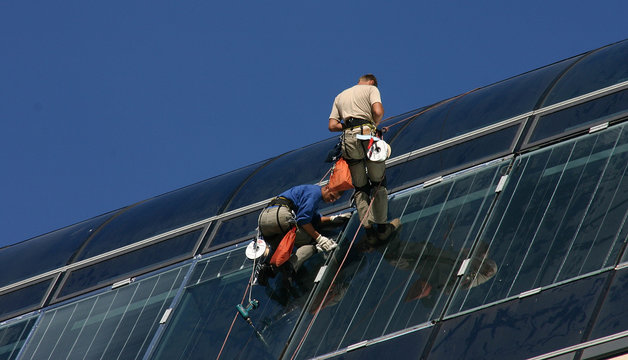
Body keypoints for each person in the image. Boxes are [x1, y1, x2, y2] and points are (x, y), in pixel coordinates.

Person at [328, 74, 399, 244]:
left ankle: (368, 230)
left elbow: (332, 125)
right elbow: (378, 111)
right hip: (366, 134)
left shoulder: (340, 96)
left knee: (360, 187)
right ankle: (382, 228)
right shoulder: (371, 89)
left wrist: (349, 125)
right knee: (378, 182)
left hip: (348, 140)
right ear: (372, 82)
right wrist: (373, 125)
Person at [257, 184, 349, 285]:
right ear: (327, 188)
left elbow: (315, 219)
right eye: (332, 196)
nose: (332, 201)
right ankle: (290, 266)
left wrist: (332, 218)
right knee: (311, 243)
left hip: (263, 220)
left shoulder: (309, 192)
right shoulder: (315, 194)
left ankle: (268, 269)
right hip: (279, 216)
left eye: (335, 200)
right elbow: (303, 220)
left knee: (281, 249)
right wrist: (319, 238)